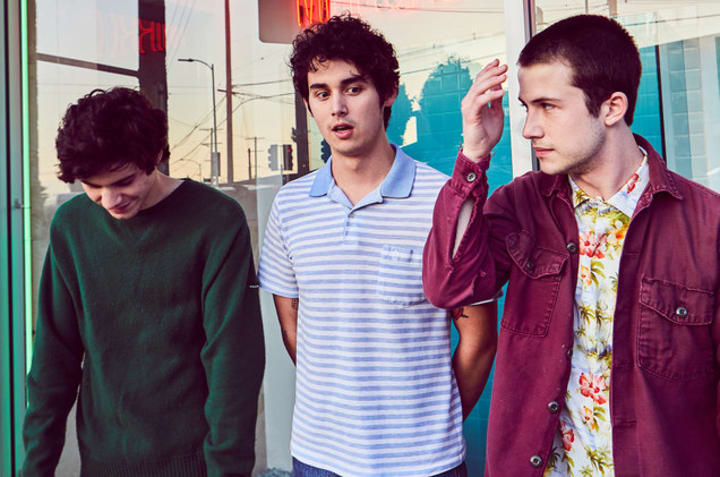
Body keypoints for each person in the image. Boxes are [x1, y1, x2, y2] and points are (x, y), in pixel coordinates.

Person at [422, 13, 720, 476]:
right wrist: (474, 155)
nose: (529, 129)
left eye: (548, 106)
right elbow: (449, 286)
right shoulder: (521, 205)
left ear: (612, 107)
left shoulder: (707, 225)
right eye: (527, 107)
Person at [257, 14, 497, 477]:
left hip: (424, 464)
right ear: (308, 103)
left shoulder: (444, 200)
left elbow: (479, 338)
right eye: (321, 93)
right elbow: (294, 328)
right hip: (318, 457)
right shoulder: (290, 206)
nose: (337, 108)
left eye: (353, 88)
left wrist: (431, 426)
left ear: (387, 93)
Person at [22, 87, 265, 476]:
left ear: (154, 157)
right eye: (93, 186)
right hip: (102, 463)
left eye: (123, 181)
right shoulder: (71, 226)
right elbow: (53, 358)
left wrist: (227, 469)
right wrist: (36, 467)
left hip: (195, 463)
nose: (110, 200)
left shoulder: (216, 220)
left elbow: (233, 360)